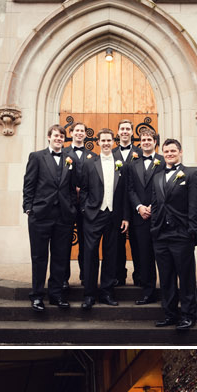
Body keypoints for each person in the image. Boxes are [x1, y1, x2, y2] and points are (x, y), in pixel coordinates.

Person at [22, 122, 76, 313]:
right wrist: (28, 208)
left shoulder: (70, 159)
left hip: (63, 216)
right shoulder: (37, 157)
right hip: (40, 215)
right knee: (39, 257)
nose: (59, 139)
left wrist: (72, 209)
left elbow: (72, 187)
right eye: (56, 136)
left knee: (60, 257)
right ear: (49, 137)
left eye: (62, 136)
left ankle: (56, 295)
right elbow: (29, 184)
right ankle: (37, 296)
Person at [151, 138, 197, 329]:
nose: (170, 154)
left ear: (180, 152)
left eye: (173, 151)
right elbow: (156, 205)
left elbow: (195, 205)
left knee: (186, 277)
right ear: (162, 153)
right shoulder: (157, 177)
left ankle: (189, 315)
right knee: (166, 277)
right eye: (166, 151)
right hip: (161, 236)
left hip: (181, 234)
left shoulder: (191, 174)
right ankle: (170, 314)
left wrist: (192, 229)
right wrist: (154, 229)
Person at [79, 131, 130, 311]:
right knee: (90, 254)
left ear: (113, 142)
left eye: (109, 140)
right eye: (103, 140)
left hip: (114, 216)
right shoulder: (89, 163)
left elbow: (124, 193)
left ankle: (107, 293)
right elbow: (83, 189)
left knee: (111, 255)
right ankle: (89, 295)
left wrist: (125, 216)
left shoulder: (121, 165)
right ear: (99, 142)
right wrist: (85, 209)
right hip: (94, 215)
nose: (106, 143)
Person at [128, 131, 163, 304]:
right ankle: (148, 293)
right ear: (140, 143)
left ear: (155, 142)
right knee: (145, 256)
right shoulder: (133, 164)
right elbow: (130, 189)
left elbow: (166, 187)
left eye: (149, 139)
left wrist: (153, 206)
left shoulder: (164, 161)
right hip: (140, 218)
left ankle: (167, 292)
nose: (146, 142)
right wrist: (139, 207)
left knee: (163, 256)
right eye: (143, 140)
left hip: (160, 217)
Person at [62, 123, 88, 289]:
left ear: (86, 134)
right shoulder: (63, 153)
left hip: (86, 207)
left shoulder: (93, 156)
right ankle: (63, 278)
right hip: (67, 205)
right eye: (76, 130)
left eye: (82, 131)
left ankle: (86, 276)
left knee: (86, 243)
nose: (79, 133)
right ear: (71, 133)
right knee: (63, 243)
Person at [113, 121, 138, 288]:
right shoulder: (111, 153)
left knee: (138, 243)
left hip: (136, 204)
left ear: (131, 132)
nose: (125, 131)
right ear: (118, 131)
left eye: (128, 129)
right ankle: (118, 276)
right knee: (116, 244)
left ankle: (140, 277)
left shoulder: (140, 152)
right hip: (116, 205)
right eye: (122, 129)